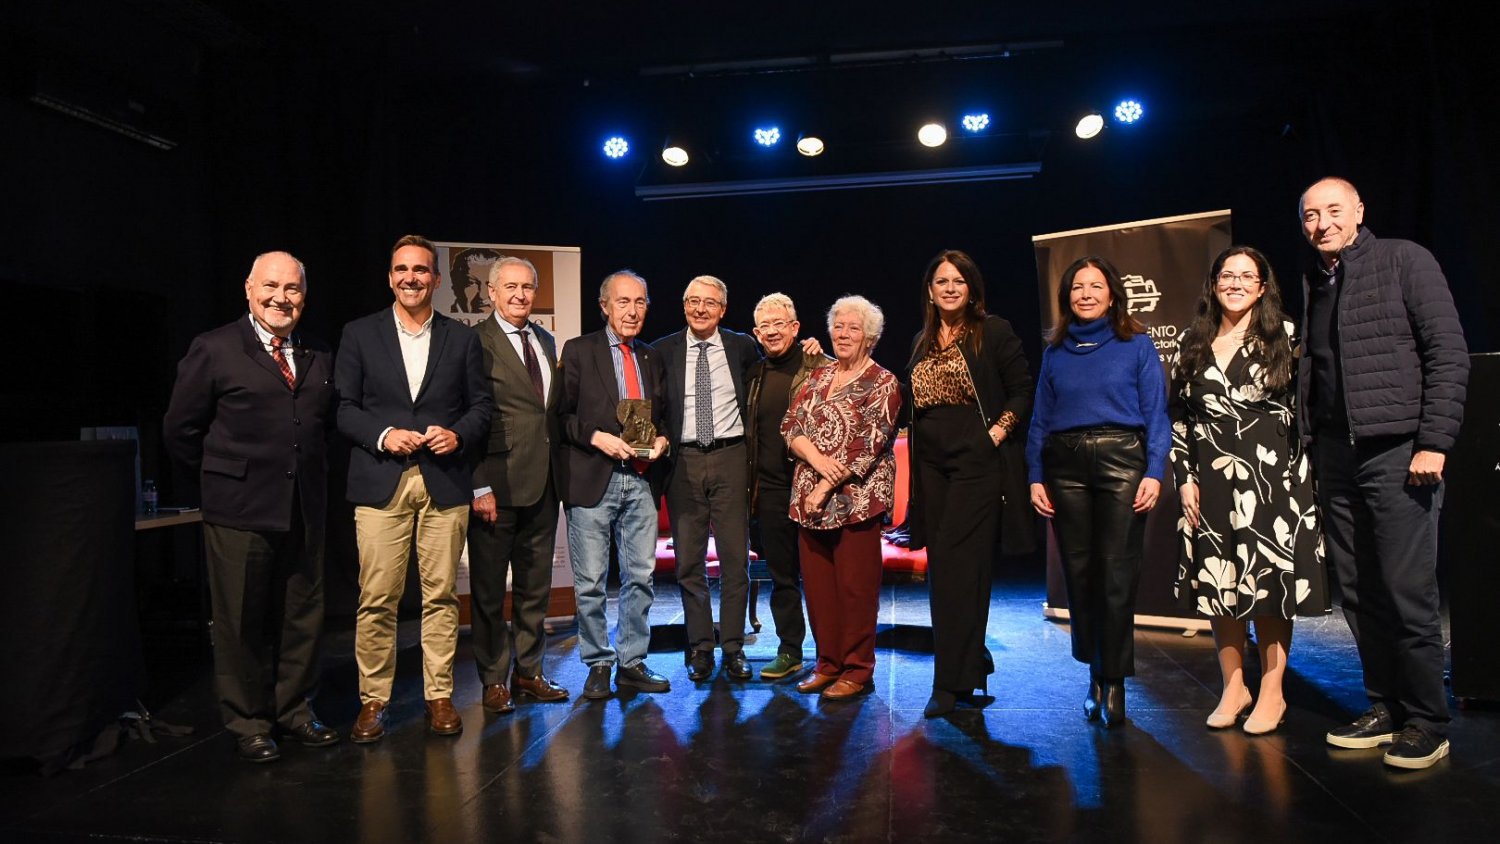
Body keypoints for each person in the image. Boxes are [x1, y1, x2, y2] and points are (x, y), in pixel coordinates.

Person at [1298, 177, 1468, 769]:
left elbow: (1447, 351)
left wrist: (1434, 442)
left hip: (1399, 453)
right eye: (1311, 215)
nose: (1322, 223)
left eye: (1334, 211)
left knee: (1407, 593)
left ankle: (1427, 718)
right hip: (1337, 459)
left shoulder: (1404, 259)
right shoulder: (1315, 282)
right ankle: (1385, 705)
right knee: (1358, 592)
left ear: (1360, 211)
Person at [163, 251, 340, 763]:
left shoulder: (317, 352)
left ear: (304, 296)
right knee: (240, 620)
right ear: (248, 288)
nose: (280, 298)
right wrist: (223, 480)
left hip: (304, 508)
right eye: (271, 286)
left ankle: (296, 710)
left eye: (293, 289)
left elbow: (322, 427)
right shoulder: (214, 348)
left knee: (303, 616)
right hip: (238, 511)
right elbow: (181, 431)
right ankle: (249, 721)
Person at [336, 235, 492, 742]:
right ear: (389, 277)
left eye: (421, 270)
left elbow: (481, 408)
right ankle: (374, 701)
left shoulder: (463, 338)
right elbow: (344, 409)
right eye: (401, 269)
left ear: (438, 280)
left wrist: (458, 433)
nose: (411, 277)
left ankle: (439, 695)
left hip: (445, 483)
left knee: (442, 596)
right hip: (381, 481)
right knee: (377, 597)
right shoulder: (359, 334)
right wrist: (383, 435)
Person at [1170, 245, 1326, 735]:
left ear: (1263, 286)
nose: (1235, 283)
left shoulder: (1287, 337)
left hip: (1274, 479)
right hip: (1211, 479)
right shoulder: (1190, 343)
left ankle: (1273, 692)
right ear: (1213, 284)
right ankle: (1234, 686)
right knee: (1222, 585)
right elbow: (1179, 416)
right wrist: (1184, 477)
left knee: (1269, 585)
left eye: (1246, 276)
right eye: (1226, 275)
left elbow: (1312, 406)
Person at [1027, 256, 1169, 728]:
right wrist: (1033, 475)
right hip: (1064, 465)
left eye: (1095, 286)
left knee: (1115, 576)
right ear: (1067, 297)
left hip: (1121, 460)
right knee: (1080, 574)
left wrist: (1154, 471)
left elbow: (1156, 415)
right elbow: (1039, 420)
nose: (1086, 294)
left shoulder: (1137, 345)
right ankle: (1094, 672)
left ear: (1112, 293)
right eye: (1077, 287)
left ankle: (1115, 682)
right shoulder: (1056, 350)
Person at [904, 250, 1033, 718]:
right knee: (944, 570)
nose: (950, 288)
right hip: (932, 468)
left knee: (963, 567)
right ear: (930, 291)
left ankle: (949, 682)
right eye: (942, 281)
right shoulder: (921, 340)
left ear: (972, 288)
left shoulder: (992, 332)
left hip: (977, 465)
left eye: (959, 281)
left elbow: (1022, 389)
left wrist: (994, 434)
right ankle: (970, 661)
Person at [557, 269, 673, 700]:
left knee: (640, 577)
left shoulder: (650, 356)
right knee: (590, 581)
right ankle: (598, 664)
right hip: (593, 477)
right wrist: (595, 436)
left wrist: (661, 438)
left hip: (640, 481)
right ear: (604, 306)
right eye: (623, 302)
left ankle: (631, 662)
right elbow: (561, 417)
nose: (632, 310)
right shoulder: (579, 351)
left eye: (640, 302)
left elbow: (661, 415)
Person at [782, 295, 902, 701]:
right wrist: (815, 460)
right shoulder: (817, 377)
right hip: (808, 502)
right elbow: (791, 425)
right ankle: (827, 664)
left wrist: (823, 485)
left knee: (855, 590)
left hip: (856, 502)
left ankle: (856, 669)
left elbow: (867, 444)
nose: (843, 334)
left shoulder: (884, 382)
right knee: (818, 591)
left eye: (853, 328)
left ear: (870, 336)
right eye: (838, 326)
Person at [467, 256, 569, 714]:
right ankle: (493, 680)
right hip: (497, 485)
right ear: (491, 292)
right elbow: (466, 418)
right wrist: (477, 486)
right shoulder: (474, 342)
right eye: (510, 287)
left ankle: (528, 673)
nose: (520, 295)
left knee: (534, 588)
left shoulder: (545, 339)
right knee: (490, 592)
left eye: (528, 288)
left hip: (544, 483)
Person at [652, 275, 762, 682]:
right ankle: (700, 646)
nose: (700, 309)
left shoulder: (741, 347)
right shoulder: (662, 350)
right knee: (689, 561)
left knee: (736, 559)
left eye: (709, 302)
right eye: (693, 301)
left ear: (723, 309)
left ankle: (732, 647)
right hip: (683, 461)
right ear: (683, 305)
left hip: (732, 456)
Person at [746, 293, 829, 681]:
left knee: (823, 577)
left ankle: (833, 655)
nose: (773, 331)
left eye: (781, 323)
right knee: (782, 576)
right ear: (756, 333)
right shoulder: (755, 374)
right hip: (772, 492)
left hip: (815, 489)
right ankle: (790, 650)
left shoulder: (819, 367)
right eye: (765, 326)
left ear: (796, 328)